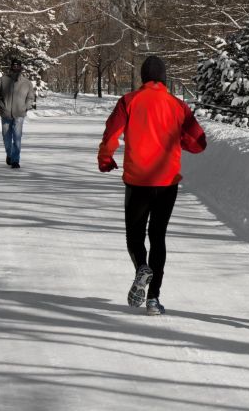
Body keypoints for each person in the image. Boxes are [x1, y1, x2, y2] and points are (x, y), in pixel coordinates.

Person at [98, 56, 207, 316]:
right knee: (158, 236)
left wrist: (105, 158)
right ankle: (154, 299)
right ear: (164, 78)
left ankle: (141, 268)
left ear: (142, 78)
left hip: (137, 181)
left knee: (134, 235)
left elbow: (112, 134)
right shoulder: (178, 105)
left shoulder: (129, 101)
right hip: (167, 182)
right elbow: (199, 143)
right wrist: (178, 140)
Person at [0, 58, 35, 169]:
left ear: (21, 68)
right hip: (6, 113)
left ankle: (15, 160)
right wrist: (1, 104)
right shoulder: (3, 80)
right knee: (6, 138)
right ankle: (9, 154)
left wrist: (26, 107)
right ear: (11, 67)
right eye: (14, 66)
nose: (15, 68)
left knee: (17, 138)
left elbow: (31, 97)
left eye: (17, 66)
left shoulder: (27, 83)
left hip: (19, 114)